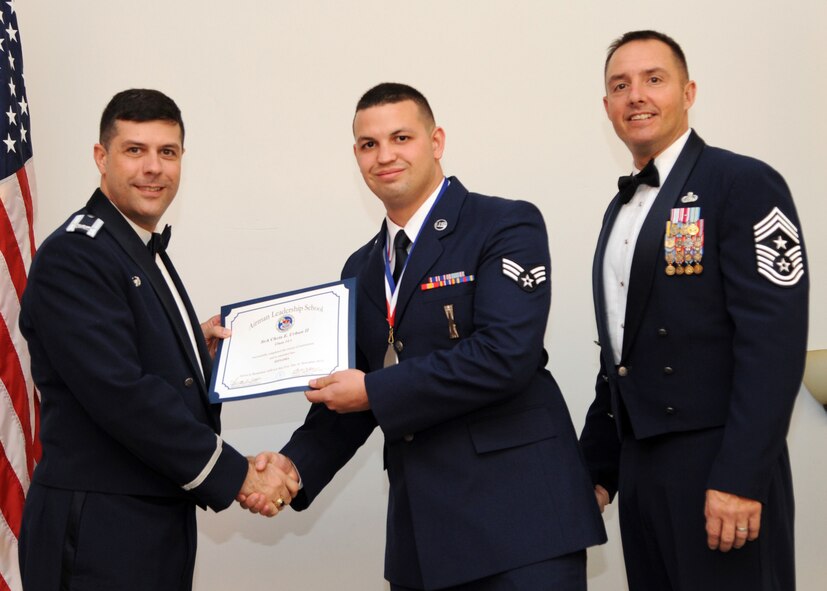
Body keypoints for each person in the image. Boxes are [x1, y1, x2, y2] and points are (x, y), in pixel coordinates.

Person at [242, 83, 606, 590]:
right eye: (369, 144)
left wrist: (370, 390)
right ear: (356, 156)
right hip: (423, 539)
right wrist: (292, 468)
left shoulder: (504, 223)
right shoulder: (362, 269)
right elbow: (346, 399)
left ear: (436, 142)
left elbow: (506, 355)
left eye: (401, 137)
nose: (385, 155)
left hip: (522, 526)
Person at [18, 88, 298, 590]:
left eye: (167, 152)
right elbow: (122, 393)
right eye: (135, 150)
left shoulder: (136, 246)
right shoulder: (76, 255)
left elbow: (131, 352)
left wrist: (193, 345)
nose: (153, 167)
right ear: (101, 158)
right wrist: (239, 475)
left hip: (146, 519)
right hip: (97, 530)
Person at [579, 30, 808, 591]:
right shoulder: (620, 209)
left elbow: (773, 344)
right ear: (606, 106)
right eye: (620, 85)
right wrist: (597, 471)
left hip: (719, 466)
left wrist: (740, 477)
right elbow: (621, 355)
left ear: (688, 91)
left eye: (654, 79)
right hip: (642, 471)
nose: (636, 95)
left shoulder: (743, 182)